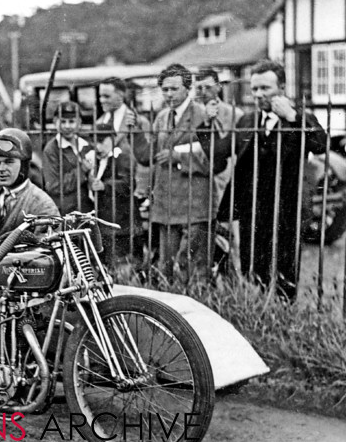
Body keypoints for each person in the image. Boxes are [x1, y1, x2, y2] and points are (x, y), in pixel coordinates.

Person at [214, 60, 326, 301]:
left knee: (285, 261)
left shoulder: (300, 117)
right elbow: (224, 153)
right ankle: (259, 306)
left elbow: (320, 145)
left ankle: (284, 307)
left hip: (287, 204)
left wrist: (293, 116)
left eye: (265, 88)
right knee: (253, 262)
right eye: (254, 89)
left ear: (282, 88)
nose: (258, 95)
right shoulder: (247, 121)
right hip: (253, 205)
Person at [133, 64, 215, 282]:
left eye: (174, 89)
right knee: (166, 266)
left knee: (194, 266)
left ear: (187, 89)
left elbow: (212, 157)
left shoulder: (201, 115)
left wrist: (178, 157)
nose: (169, 94)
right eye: (165, 89)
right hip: (167, 203)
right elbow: (150, 154)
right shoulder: (161, 118)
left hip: (193, 201)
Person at [0, 127, 59, 254]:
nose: (1, 168)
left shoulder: (42, 204)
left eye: (8, 162)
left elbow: (45, 256)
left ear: (24, 165)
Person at [193, 68, 245, 275]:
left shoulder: (234, 114)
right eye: (200, 88)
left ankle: (236, 278)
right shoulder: (194, 113)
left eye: (208, 86)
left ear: (218, 87)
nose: (204, 91)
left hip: (226, 180)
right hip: (199, 181)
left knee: (232, 234)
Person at [94, 77, 152, 262]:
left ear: (120, 95)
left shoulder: (137, 121)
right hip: (110, 199)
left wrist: (142, 191)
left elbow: (145, 158)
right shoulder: (101, 121)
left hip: (130, 193)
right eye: (100, 96)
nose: (102, 100)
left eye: (107, 95)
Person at [42, 102, 95, 216]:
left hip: (87, 208)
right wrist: (81, 171)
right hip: (67, 211)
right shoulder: (52, 149)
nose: (67, 126)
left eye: (71, 121)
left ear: (79, 123)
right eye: (63, 121)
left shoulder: (86, 145)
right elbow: (52, 186)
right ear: (55, 122)